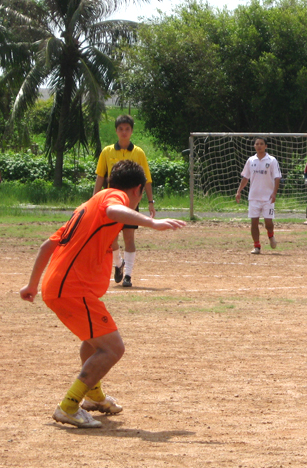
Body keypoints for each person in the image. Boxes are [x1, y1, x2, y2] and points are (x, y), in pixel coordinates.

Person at [20, 160, 186, 428]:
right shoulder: (114, 197)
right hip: (72, 289)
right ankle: (69, 405)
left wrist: (31, 285)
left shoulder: (87, 207)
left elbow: (46, 246)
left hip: (65, 287)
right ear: (137, 189)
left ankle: (94, 396)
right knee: (113, 348)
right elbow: (114, 209)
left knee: (94, 342)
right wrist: (151, 222)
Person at [94, 114, 155, 288]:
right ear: (116, 131)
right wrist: (94, 198)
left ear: (132, 131)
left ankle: (128, 275)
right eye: (120, 129)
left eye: (127, 129)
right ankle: (118, 263)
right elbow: (100, 176)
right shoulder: (107, 152)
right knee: (111, 239)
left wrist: (151, 201)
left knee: (129, 238)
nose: (124, 132)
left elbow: (147, 179)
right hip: (111, 202)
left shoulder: (138, 153)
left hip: (131, 202)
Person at [235, 137, 282, 254]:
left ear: (266, 146)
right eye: (257, 144)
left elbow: (277, 177)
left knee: (268, 223)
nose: (259, 146)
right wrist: (239, 191)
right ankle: (257, 246)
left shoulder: (272, 160)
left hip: (268, 197)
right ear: (254, 146)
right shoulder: (251, 160)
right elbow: (245, 177)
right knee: (254, 222)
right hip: (254, 197)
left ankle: (270, 235)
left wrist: (274, 193)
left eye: (261, 144)